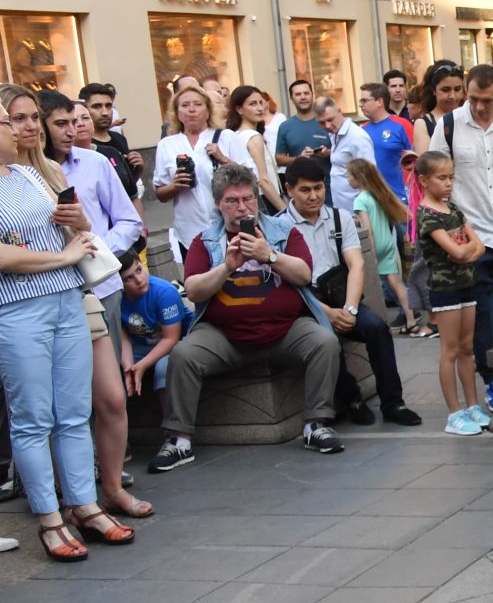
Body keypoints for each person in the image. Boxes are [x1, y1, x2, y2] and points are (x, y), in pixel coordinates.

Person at [147, 166, 344, 473]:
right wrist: (226, 267)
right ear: (218, 204)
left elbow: (305, 274)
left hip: (284, 330)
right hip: (224, 335)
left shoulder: (282, 232)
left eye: (248, 199)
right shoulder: (206, 241)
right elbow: (195, 291)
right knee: (184, 355)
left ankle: (315, 424)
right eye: (232, 201)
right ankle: (178, 439)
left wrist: (270, 256)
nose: (242, 208)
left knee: (324, 342)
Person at [0, 98, 129, 561]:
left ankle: (85, 506)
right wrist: (63, 258)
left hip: (66, 300)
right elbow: (4, 257)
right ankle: (49, 518)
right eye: (7, 123)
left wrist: (78, 226)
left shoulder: (31, 175)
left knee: (74, 412)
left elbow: (75, 234)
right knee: (34, 417)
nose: (18, 132)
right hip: (17, 309)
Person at [39, 89, 148, 520]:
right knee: (62, 406)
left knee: (111, 399)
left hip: (98, 289)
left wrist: (97, 247)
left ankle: (112, 486)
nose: (73, 130)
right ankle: (69, 496)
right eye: (61, 124)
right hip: (47, 291)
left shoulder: (96, 163)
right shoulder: (27, 174)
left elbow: (130, 221)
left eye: (74, 121)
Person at [271, 156, 421, 426]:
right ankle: (352, 398)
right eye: (305, 190)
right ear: (289, 189)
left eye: (318, 188)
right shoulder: (278, 226)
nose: (314, 196)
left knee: (376, 327)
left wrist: (350, 309)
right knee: (325, 338)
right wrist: (326, 313)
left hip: (340, 294)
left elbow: (356, 264)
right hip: (303, 302)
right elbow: (286, 281)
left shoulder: (339, 218)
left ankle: (393, 402)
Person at [429, 64, 493, 411]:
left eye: (486, 100)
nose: (479, 106)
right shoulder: (450, 125)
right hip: (472, 233)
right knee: (484, 312)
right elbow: (433, 180)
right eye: (473, 98)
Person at [411, 150, 488, 434]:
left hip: (467, 283)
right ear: (424, 180)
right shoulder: (427, 215)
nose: (448, 183)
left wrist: (464, 253)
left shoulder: (453, 209)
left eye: (451, 177)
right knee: (450, 350)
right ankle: (454, 413)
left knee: (468, 348)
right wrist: (465, 251)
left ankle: (472, 405)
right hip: (444, 289)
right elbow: (457, 249)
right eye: (441, 178)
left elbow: (477, 247)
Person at [348, 158, 418, 336]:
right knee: (397, 284)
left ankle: (380, 322)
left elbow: (367, 230)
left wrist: (368, 254)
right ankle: (411, 320)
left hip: (374, 247)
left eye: (348, 175)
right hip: (387, 243)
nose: (347, 179)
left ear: (357, 177)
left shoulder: (360, 201)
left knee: (373, 286)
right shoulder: (376, 196)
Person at [151, 87, 220, 267]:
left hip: (225, 225)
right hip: (190, 231)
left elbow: (249, 177)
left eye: (197, 104)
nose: (191, 109)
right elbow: (160, 193)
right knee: (200, 286)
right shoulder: (167, 144)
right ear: (177, 113)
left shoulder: (224, 137)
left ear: (208, 110)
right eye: (185, 105)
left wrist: (223, 159)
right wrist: (176, 186)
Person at [117, 250, 190, 397]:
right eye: (128, 278)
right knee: (111, 369)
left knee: (164, 369)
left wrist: (142, 366)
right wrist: (128, 366)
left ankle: (171, 418)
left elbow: (171, 338)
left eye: (139, 270)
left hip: (177, 341)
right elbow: (123, 337)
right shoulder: (116, 298)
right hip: (142, 344)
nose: (139, 280)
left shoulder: (165, 292)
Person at [213, 85, 285, 213]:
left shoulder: (235, 135)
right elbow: (263, 180)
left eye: (261, 102)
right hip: (265, 200)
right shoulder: (253, 137)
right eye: (253, 104)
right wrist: (284, 210)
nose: (260, 108)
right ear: (239, 109)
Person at [78, 83, 142, 200]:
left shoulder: (120, 139)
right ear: (84, 109)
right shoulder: (83, 144)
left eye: (108, 106)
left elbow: (126, 185)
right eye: (97, 106)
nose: (105, 112)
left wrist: (138, 169)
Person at [355, 83, 414, 207]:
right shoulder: (361, 130)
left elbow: (417, 158)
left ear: (379, 102)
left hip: (401, 198)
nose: (361, 105)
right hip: (374, 200)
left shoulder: (402, 125)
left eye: (364, 100)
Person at [314, 97, 375, 214]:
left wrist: (364, 212)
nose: (327, 126)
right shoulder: (335, 133)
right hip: (343, 210)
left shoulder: (357, 137)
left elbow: (370, 176)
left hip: (358, 211)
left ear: (340, 111)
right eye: (321, 123)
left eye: (330, 119)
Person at [273, 79, 331, 180]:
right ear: (291, 98)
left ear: (312, 95)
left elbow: (345, 150)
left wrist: (328, 153)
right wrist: (298, 159)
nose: (303, 97)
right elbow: (279, 158)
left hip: (330, 184)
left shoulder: (327, 121)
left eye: (306, 93)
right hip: (299, 185)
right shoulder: (285, 126)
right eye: (298, 94)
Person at [411, 62, 466, 153]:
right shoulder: (423, 124)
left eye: (457, 89)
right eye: (445, 90)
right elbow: (426, 163)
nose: (452, 96)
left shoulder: (470, 117)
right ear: (434, 90)